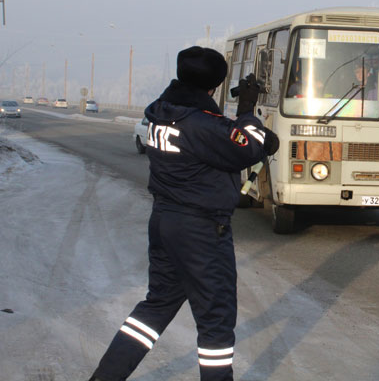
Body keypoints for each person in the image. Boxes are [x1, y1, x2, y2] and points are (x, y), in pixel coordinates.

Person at [88, 46, 279, 381]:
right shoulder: (204, 125)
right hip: (201, 231)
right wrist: (247, 111)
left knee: (155, 307)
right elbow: (252, 147)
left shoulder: (163, 113)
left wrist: (238, 124)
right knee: (215, 323)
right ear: (215, 86)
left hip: (164, 222)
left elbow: (225, 139)